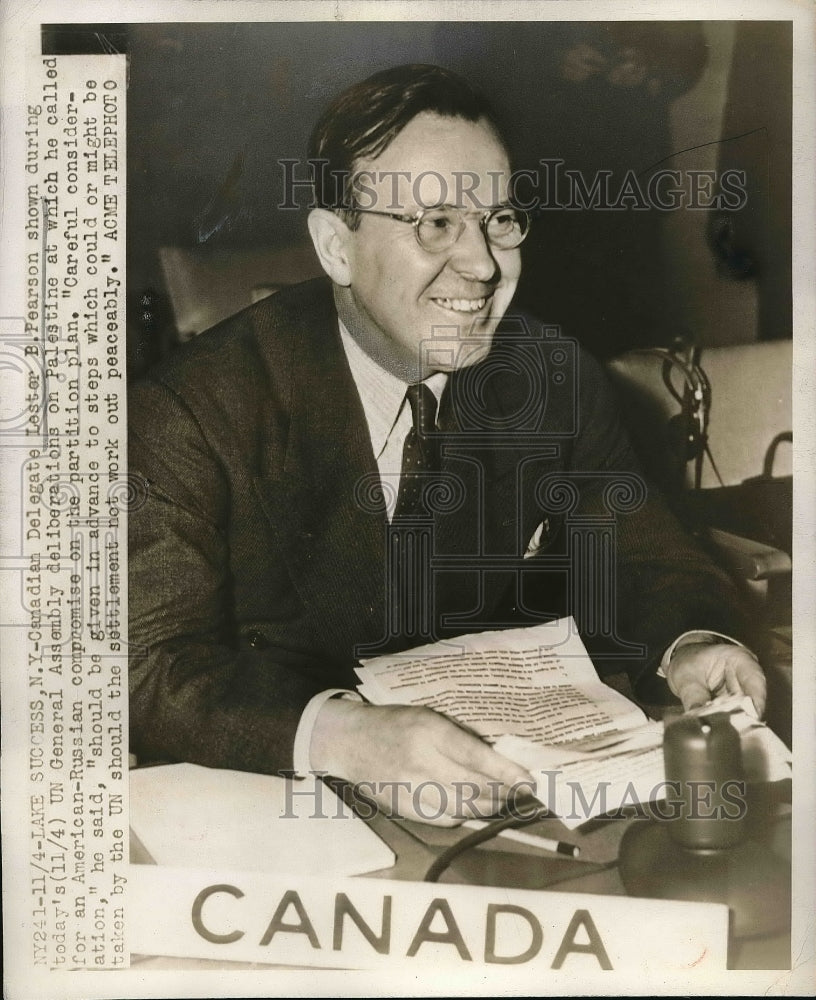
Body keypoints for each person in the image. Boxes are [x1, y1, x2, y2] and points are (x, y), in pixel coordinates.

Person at [128, 64, 765, 825]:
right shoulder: (191, 410)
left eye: (500, 219)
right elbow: (138, 663)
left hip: (499, 804)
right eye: (435, 224)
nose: (483, 265)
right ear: (336, 246)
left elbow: (639, 550)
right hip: (281, 812)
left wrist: (694, 641)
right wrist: (338, 734)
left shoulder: (551, 377)